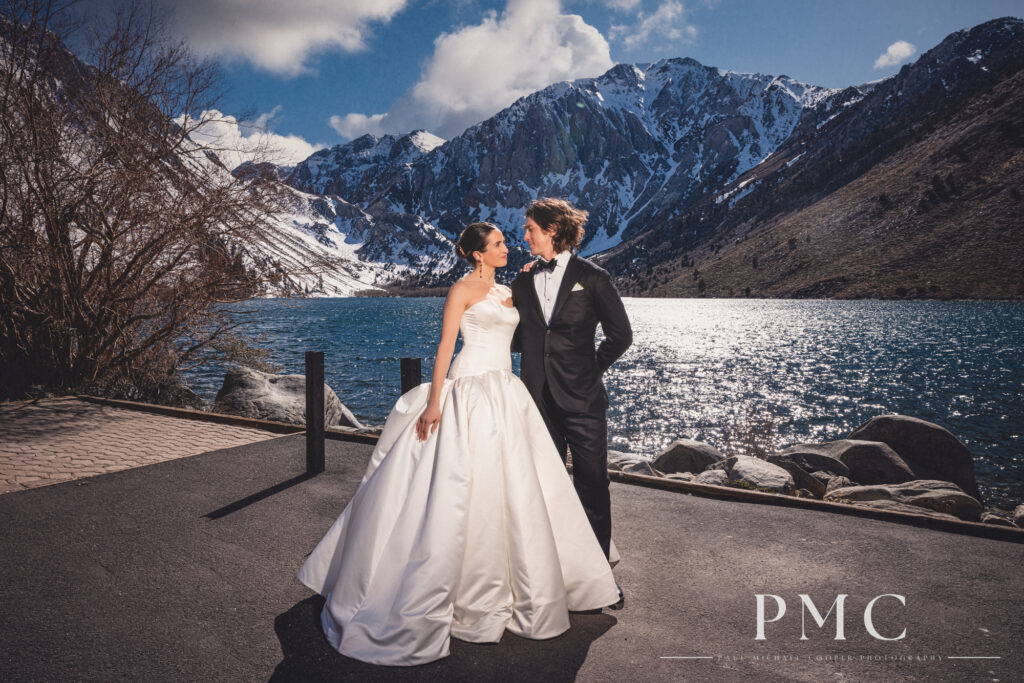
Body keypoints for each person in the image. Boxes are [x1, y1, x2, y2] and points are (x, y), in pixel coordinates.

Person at [296, 222, 621, 667]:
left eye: (509, 241)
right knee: (461, 485)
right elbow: (446, 344)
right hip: (469, 387)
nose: (508, 246)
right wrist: (434, 402)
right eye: (499, 244)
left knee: (518, 488)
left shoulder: (514, 287)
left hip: (507, 391)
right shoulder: (461, 290)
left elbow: (540, 330)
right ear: (477, 254)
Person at [510, 198, 632, 606]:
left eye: (530, 229)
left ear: (552, 230)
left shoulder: (592, 277)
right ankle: (548, 574)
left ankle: (598, 578)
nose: (524, 236)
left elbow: (621, 336)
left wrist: (590, 371)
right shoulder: (523, 280)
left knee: (593, 483)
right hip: (536, 400)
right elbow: (516, 338)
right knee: (544, 487)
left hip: (582, 401)